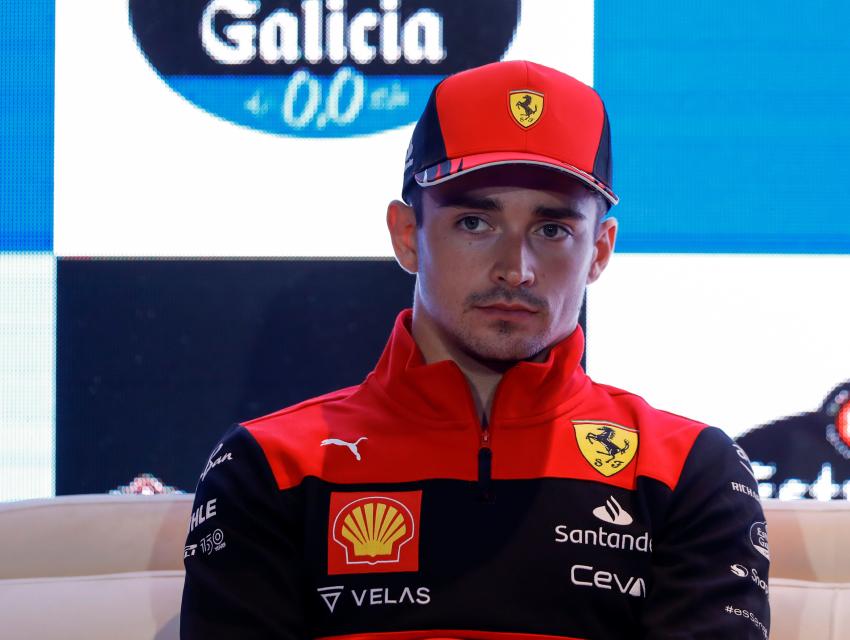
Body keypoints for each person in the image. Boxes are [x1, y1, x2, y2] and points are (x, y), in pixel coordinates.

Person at [181, 60, 771, 639]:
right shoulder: (270, 465)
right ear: (407, 235)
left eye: (552, 230)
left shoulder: (689, 469)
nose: (516, 270)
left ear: (600, 250)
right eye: (474, 223)